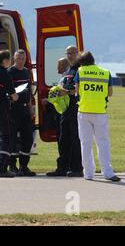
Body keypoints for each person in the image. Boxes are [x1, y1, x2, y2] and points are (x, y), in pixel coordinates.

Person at [74, 51, 120, 182]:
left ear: (82, 61)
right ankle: (107, 172)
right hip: (100, 112)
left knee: (85, 143)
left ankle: (88, 173)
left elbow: (77, 91)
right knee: (103, 143)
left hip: (84, 111)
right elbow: (110, 93)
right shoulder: (105, 72)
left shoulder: (80, 71)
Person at [47, 46, 83, 177]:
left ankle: (77, 168)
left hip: (75, 108)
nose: (69, 56)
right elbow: (63, 86)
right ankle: (62, 167)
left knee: (75, 139)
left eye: (72, 53)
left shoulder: (80, 70)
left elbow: (80, 90)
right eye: (67, 53)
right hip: (65, 110)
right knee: (63, 139)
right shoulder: (69, 70)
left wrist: (65, 92)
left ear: (77, 54)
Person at [7, 50, 36, 176]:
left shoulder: (25, 72)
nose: (21, 61)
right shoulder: (10, 72)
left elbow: (29, 93)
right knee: (12, 138)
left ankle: (24, 166)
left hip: (24, 109)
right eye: (18, 58)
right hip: (13, 109)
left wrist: (31, 110)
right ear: (14, 59)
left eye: (23, 59)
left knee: (28, 137)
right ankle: (12, 165)